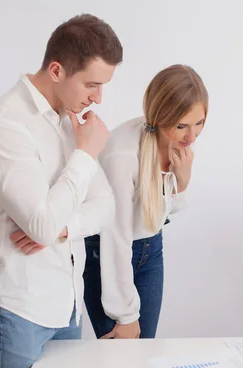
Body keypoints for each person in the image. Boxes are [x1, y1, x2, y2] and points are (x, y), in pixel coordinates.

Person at [0, 14, 122, 368]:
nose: (98, 98)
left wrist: (62, 229)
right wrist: (87, 152)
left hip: (67, 303)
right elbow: (39, 226)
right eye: (91, 84)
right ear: (56, 70)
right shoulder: (5, 125)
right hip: (18, 305)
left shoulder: (71, 122)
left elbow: (106, 206)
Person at [83, 64, 209, 339]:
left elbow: (162, 213)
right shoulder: (123, 154)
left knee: (143, 353)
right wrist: (126, 315)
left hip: (151, 250)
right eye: (182, 126)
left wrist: (182, 179)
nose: (192, 136)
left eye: (199, 123)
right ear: (161, 117)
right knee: (122, 358)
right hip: (107, 252)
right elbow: (114, 236)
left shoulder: (178, 143)